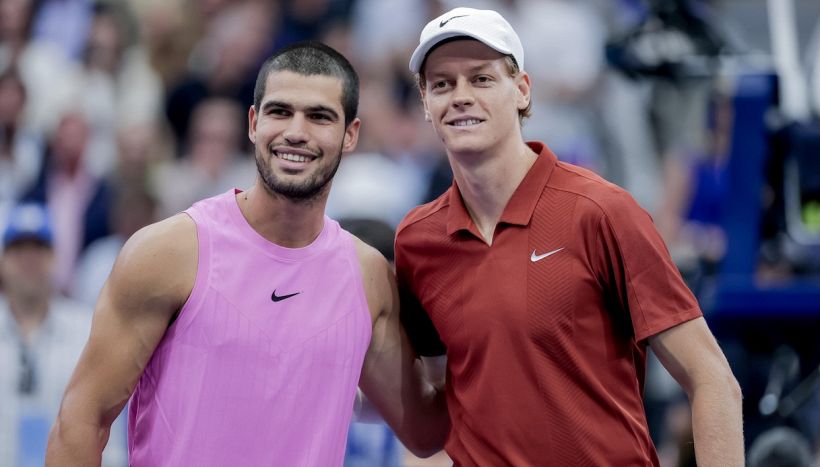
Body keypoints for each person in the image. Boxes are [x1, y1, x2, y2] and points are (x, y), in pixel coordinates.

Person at [45, 41, 448, 466]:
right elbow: (81, 419)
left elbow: (425, 432)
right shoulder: (170, 252)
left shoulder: (367, 275)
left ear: (351, 135)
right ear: (254, 123)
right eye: (280, 111)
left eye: (319, 116)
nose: (296, 131)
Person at [396, 7, 744, 466]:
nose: (460, 96)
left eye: (481, 79)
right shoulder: (416, 241)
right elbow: (440, 400)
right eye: (442, 84)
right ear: (424, 102)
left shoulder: (601, 211)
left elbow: (711, 377)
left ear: (521, 91)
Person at [0, 203, 127, 466]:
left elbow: (108, 425)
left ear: (55, 257)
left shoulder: (87, 329)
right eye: (18, 249)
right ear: (3, 260)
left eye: (39, 248)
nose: (29, 259)